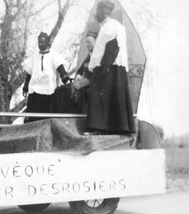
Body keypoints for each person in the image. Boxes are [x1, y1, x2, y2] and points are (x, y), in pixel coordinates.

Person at [86, 1, 135, 134]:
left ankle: (100, 128)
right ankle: (105, 128)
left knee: (101, 96)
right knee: (105, 97)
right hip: (106, 66)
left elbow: (114, 46)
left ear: (105, 12)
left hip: (110, 67)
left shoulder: (113, 26)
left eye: (98, 11)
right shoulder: (104, 27)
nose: (96, 14)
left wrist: (105, 66)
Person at [22, 32, 68, 122]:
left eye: (42, 42)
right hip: (35, 90)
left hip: (48, 90)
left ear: (48, 43)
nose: (40, 44)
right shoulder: (34, 57)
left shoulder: (54, 56)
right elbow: (29, 73)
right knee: (32, 117)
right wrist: (25, 87)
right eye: (39, 42)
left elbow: (60, 67)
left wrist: (64, 75)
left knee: (46, 116)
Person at [49, 35, 96, 114]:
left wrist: (83, 78)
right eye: (86, 42)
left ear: (95, 42)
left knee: (67, 90)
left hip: (91, 81)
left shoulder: (97, 55)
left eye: (89, 42)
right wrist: (78, 74)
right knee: (60, 90)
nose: (87, 44)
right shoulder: (88, 55)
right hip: (83, 81)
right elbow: (81, 69)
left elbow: (94, 71)